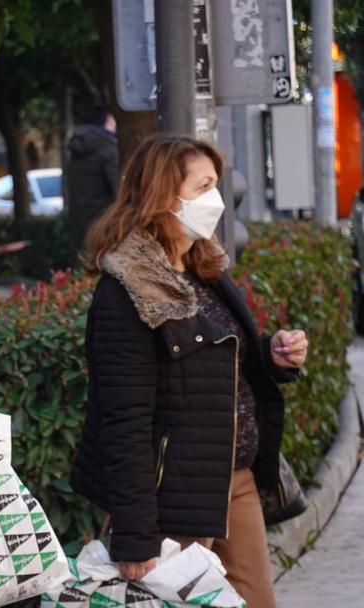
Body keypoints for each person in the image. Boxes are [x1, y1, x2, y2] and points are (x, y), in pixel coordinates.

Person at [70, 134, 310, 608]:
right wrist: (136, 535)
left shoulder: (205, 268)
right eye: (202, 187)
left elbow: (211, 361)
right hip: (173, 495)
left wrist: (270, 355)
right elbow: (124, 417)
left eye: (216, 185)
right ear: (164, 196)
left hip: (235, 479)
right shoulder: (127, 290)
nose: (214, 200)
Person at [65, 105, 119, 255]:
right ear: (107, 120)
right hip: (105, 222)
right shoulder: (108, 148)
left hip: (79, 220)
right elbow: (118, 190)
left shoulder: (76, 149)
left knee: (84, 268)